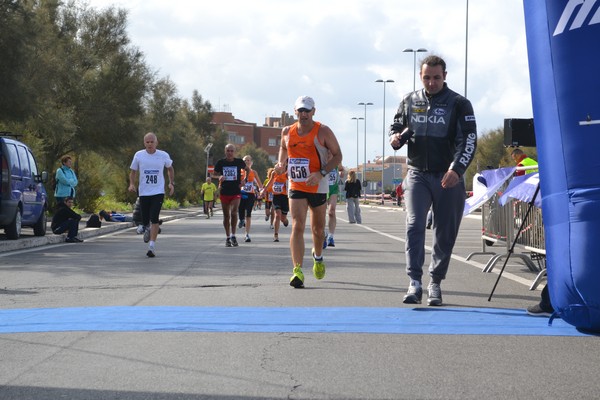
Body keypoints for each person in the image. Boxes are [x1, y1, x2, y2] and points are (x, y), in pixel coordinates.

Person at [389, 55, 477, 306]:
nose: (431, 82)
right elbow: (395, 126)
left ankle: (435, 283)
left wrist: (457, 170)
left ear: (445, 76)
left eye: (436, 77)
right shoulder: (409, 100)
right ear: (420, 77)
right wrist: (395, 138)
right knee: (414, 224)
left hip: (448, 176)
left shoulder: (459, 103)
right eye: (427, 77)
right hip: (417, 173)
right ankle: (414, 282)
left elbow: (469, 140)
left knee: (444, 233)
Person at [275, 95, 342, 288]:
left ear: (314, 111)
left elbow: (338, 155)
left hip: (318, 183)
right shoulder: (287, 131)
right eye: (300, 110)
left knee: (318, 230)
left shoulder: (323, 131)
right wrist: (281, 163)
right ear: (295, 111)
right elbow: (283, 148)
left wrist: (321, 173)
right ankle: (297, 271)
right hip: (296, 183)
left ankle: (318, 256)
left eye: (307, 110)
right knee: (297, 225)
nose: (304, 114)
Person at [128, 132, 175, 258]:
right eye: (147, 142)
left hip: (158, 191)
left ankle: (152, 246)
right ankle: (147, 228)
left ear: (156, 143)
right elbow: (133, 171)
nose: (149, 144)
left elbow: (170, 168)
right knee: (145, 220)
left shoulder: (163, 155)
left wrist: (171, 183)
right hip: (144, 192)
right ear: (144, 143)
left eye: (152, 142)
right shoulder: (139, 155)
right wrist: (132, 184)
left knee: (154, 217)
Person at [213, 144, 248, 247]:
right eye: (228, 151)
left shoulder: (239, 162)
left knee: (233, 213)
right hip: (224, 191)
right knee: (226, 215)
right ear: (225, 151)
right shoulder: (221, 162)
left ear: (234, 152)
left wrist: (244, 180)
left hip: (236, 191)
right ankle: (228, 237)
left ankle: (233, 235)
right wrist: (219, 176)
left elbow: (248, 170)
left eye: (232, 151)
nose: (230, 153)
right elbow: (213, 174)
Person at [238, 155, 263, 243]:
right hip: (241, 194)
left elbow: (259, 184)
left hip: (250, 195)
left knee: (248, 213)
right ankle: (241, 219)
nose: (247, 162)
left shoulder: (253, 172)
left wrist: (261, 191)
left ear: (251, 162)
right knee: (240, 210)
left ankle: (247, 234)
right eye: (245, 160)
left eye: (248, 160)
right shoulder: (240, 171)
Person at [262, 165, 290, 242]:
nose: (279, 168)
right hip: (276, 197)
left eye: (282, 167)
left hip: (285, 198)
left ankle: (285, 220)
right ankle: (276, 235)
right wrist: (263, 191)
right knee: (277, 215)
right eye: (278, 167)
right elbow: (270, 182)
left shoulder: (287, 174)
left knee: (282, 218)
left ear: (285, 167)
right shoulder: (274, 173)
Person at [323, 165, 342, 248]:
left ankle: (330, 236)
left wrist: (342, 173)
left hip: (333, 189)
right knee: (321, 213)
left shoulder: (336, 160)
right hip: (322, 188)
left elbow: (342, 169)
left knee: (331, 211)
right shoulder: (322, 157)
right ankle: (323, 235)